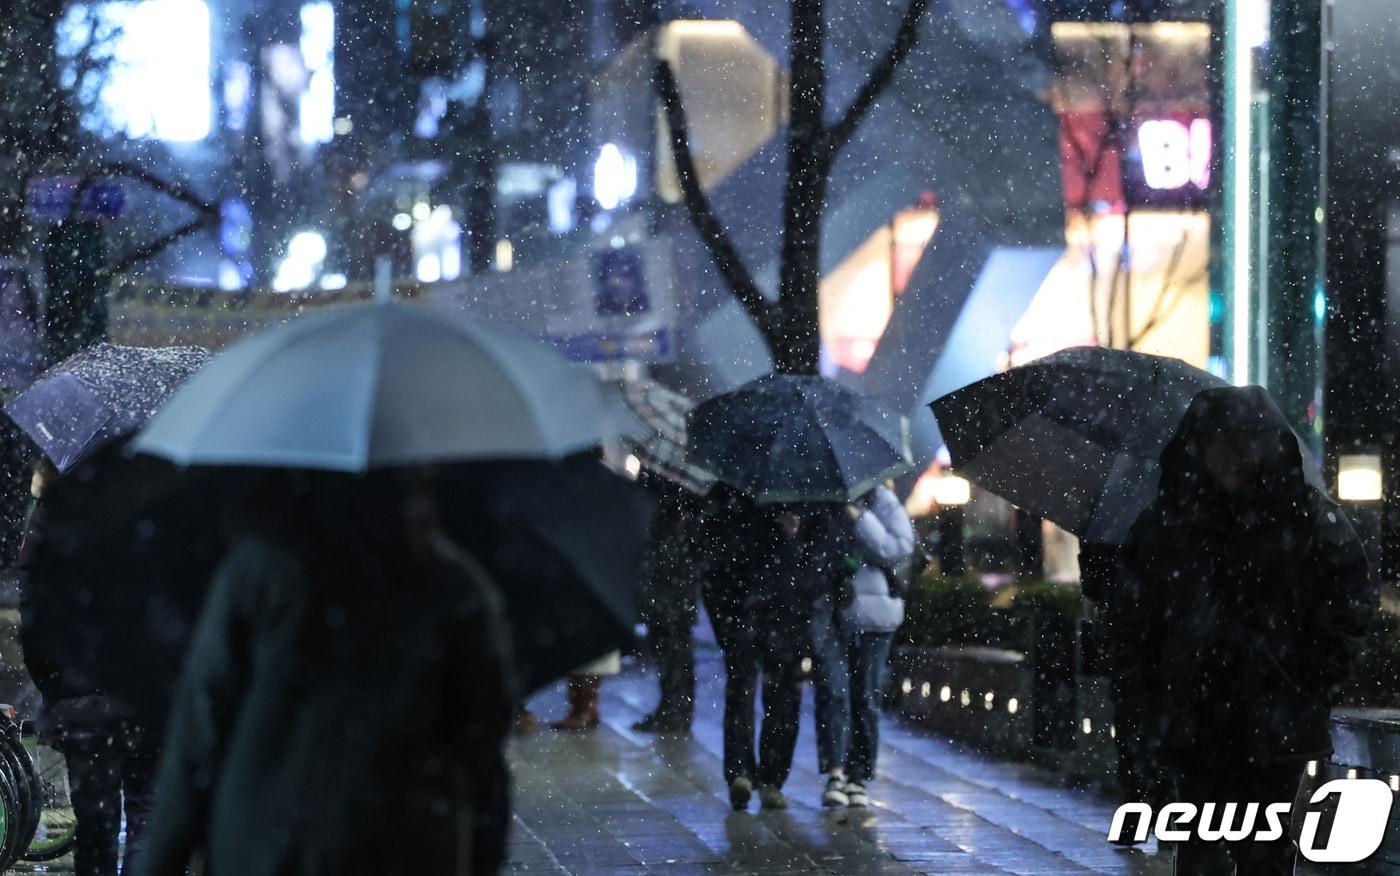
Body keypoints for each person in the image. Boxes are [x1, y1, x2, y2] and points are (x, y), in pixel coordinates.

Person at [141, 469, 516, 875]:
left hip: (265, 843)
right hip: (405, 842)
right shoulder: (452, 585)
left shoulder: (260, 573)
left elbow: (198, 734)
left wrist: (164, 858)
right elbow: (482, 747)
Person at [1116, 386, 1375, 875]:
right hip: (1196, 717)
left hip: (1277, 716)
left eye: (1244, 442)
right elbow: (1134, 625)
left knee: (1265, 854)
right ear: (1200, 448)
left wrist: (1314, 673)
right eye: (1221, 442)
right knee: (1201, 853)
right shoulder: (1169, 524)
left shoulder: (1304, 518)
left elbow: (1352, 597)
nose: (1234, 455)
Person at [20, 457, 158, 875]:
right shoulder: (149, 508)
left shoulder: (51, 523)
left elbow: (35, 615)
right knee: (145, 815)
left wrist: (55, 688)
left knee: (96, 826)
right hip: (144, 692)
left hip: (81, 699)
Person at [703, 488, 837, 811]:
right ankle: (742, 774)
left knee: (781, 699)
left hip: (786, 615)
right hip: (746, 613)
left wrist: (791, 541)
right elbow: (716, 560)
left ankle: (771, 778)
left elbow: (820, 565)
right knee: (744, 693)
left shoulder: (810, 500)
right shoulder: (733, 495)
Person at [813, 484, 914, 809]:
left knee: (865, 696)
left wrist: (860, 518)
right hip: (830, 614)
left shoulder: (880, 501)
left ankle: (859, 775)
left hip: (873, 617)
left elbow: (898, 547)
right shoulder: (819, 498)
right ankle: (836, 772)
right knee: (833, 693)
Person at [633, 493, 702, 734]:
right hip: (665, 564)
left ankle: (678, 709)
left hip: (674, 570)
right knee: (665, 640)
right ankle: (673, 707)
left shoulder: (684, 497)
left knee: (675, 642)